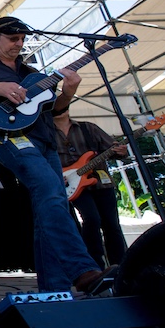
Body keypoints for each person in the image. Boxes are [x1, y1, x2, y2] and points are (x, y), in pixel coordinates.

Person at [0, 16, 115, 294]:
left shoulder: (32, 72)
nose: (19, 44)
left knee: (52, 204)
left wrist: (68, 92)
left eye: (22, 39)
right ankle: (83, 270)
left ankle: (54, 291)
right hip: (9, 139)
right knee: (49, 191)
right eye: (13, 38)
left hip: (45, 141)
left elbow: (55, 111)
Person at [53, 106, 128, 268]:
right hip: (71, 184)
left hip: (100, 182)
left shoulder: (88, 128)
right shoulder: (47, 134)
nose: (61, 109)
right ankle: (95, 264)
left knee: (112, 224)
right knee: (91, 219)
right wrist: (58, 176)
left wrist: (121, 151)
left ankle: (120, 264)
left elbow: (112, 150)